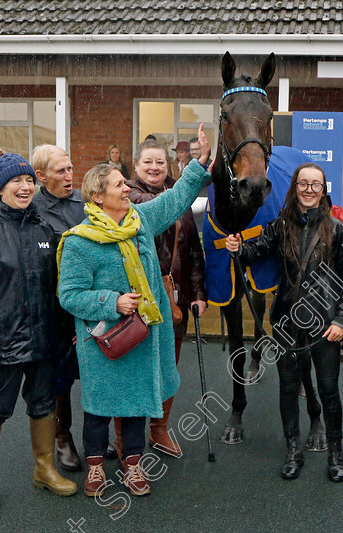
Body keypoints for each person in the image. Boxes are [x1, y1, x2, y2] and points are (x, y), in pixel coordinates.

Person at [57, 125, 212, 498]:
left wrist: (198, 162)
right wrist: (113, 302)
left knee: (137, 404)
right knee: (98, 407)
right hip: (102, 341)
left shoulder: (139, 222)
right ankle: (95, 469)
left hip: (141, 337)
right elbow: (70, 295)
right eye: (119, 185)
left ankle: (134, 465)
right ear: (98, 195)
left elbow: (175, 201)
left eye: (126, 184)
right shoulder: (79, 241)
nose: (127, 188)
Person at [0, 153, 78, 514]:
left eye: (29, 181)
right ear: (0, 187)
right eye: (17, 182)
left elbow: (58, 288)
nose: (25, 187)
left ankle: (44, 469)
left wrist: (65, 331)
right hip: (2, 346)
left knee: (43, 404)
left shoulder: (45, 230)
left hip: (45, 342)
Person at [225, 163, 343, 482]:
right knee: (287, 389)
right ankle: (293, 450)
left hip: (326, 325)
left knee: (328, 390)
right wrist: (238, 248)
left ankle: (336, 453)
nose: (309, 189)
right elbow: (254, 252)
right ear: (294, 187)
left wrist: (341, 320)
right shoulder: (281, 225)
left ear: (323, 190)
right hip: (287, 323)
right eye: (303, 183)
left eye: (316, 184)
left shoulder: (336, 230)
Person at [31, 144, 116, 472]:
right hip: (54, 312)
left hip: (90, 306)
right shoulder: (33, 210)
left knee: (98, 373)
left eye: (70, 168)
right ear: (41, 176)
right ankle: (62, 437)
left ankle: (97, 436)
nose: (70, 176)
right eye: (61, 171)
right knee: (59, 382)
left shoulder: (85, 202)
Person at [126, 138, 208, 457]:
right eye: (148, 162)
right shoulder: (130, 196)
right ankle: (126, 441)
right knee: (136, 367)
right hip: (140, 299)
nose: (154, 167)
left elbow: (194, 252)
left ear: (169, 164)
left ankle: (159, 430)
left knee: (168, 367)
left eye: (160, 161)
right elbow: (158, 205)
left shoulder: (180, 198)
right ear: (136, 166)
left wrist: (199, 293)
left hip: (177, 298)